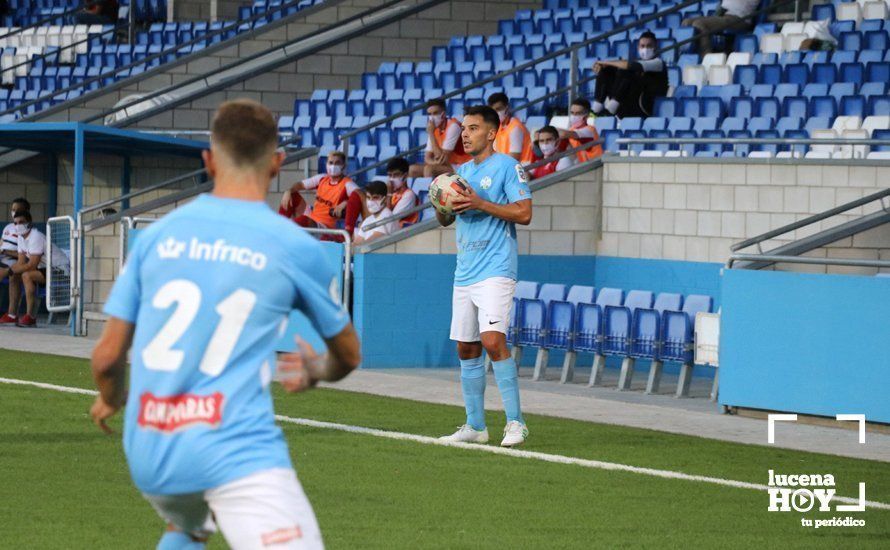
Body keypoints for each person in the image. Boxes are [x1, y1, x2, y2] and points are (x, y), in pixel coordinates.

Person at [89, 99, 362, 549]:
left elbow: (106, 358)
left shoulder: (156, 237)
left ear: (208, 160)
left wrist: (112, 397)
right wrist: (316, 370)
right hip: (232, 447)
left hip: (152, 450)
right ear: (277, 164)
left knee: (188, 524)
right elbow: (349, 354)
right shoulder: (295, 246)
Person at [435, 105, 532, 448]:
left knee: (493, 342)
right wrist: (441, 202)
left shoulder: (508, 167)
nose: (465, 133)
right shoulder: (460, 172)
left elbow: (524, 212)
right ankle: (475, 426)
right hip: (465, 270)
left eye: (473, 128)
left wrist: (480, 203)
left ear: (491, 133)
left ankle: (516, 423)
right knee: (466, 348)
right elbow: (447, 221)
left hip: (496, 269)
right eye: (463, 127)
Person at [0, 210, 70, 327]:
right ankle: (13, 315)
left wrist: (7, 271)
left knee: (27, 275)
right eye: (16, 223)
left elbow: (31, 265)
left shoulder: (35, 236)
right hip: (46, 268)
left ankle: (30, 317)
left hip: (61, 270)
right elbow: (21, 262)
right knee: (17, 274)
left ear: (29, 223)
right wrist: (7, 272)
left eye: (21, 222)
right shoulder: (21, 238)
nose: (18, 226)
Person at [278, 151, 361, 234]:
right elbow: (300, 184)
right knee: (291, 195)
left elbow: (360, 195)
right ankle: (278, 226)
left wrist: (345, 203)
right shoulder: (322, 178)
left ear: (343, 166)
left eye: (337, 163)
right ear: (327, 164)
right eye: (331, 163)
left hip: (325, 226)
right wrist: (288, 191)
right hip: (313, 216)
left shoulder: (347, 183)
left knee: (303, 219)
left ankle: (282, 232)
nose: (333, 166)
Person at [592, 31, 668, 119]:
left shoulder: (658, 63)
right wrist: (602, 68)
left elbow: (631, 66)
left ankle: (610, 110)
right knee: (607, 71)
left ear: (656, 47)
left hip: (645, 107)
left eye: (649, 46)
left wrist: (604, 62)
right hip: (627, 104)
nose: (645, 49)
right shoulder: (637, 62)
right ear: (638, 47)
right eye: (642, 46)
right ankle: (595, 110)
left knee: (627, 69)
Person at [409, 98, 470, 178]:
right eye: (429, 114)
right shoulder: (434, 128)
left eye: (435, 113)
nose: (432, 117)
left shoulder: (453, 126)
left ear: (443, 114)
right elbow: (427, 158)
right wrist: (435, 163)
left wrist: (431, 133)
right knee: (412, 169)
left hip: (462, 165)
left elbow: (442, 159)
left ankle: (431, 190)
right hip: (448, 165)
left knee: (429, 169)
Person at [682, 0, 759, 55]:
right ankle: (688, 55)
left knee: (699, 23)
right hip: (723, 16)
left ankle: (707, 57)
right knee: (687, 22)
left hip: (739, 18)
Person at [487, 93, 535, 164]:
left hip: (522, 167)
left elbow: (514, 158)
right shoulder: (498, 127)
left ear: (507, 108)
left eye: (499, 109)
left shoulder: (515, 128)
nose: (496, 113)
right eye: (493, 111)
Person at [353, 181, 398, 245]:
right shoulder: (368, 220)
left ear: (384, 199)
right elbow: (357, 242)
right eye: (368, 197)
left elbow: (372, 241)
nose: (371, 201)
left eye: (375, 197)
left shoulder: (387, 216)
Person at [1, 197, 30, 277]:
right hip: (2, 257)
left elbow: (26, 257)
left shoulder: (26, 231)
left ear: (26, 211)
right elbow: (1, 244)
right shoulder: (8, 227)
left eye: (17, 210)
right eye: (13, 210)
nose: (14, 212)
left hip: (14, 260)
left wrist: (4, 251)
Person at [386, 157, 418, 227]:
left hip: (403, 234)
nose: (392, 179)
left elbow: (389, 220)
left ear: (405, 176)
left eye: (396, 175)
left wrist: (389, 194)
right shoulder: (393, 194)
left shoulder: (409, 195)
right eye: (390, 175)